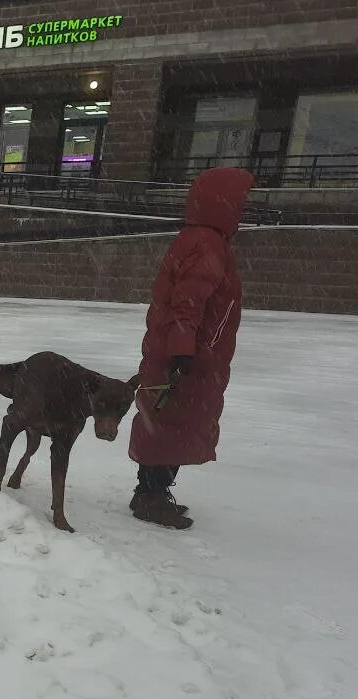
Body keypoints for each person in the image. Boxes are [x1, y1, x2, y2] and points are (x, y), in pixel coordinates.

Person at [128, 166, 256, 530]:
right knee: (171, 422)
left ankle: (152, 492)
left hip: (185, 352)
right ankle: (150, 496)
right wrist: (182, 352)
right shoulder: (206, 243)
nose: (242, 211)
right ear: (223, 204)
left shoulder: (199, 239)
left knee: (169, 421)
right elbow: (188, 302)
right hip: (186, 357)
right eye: (239, 203)